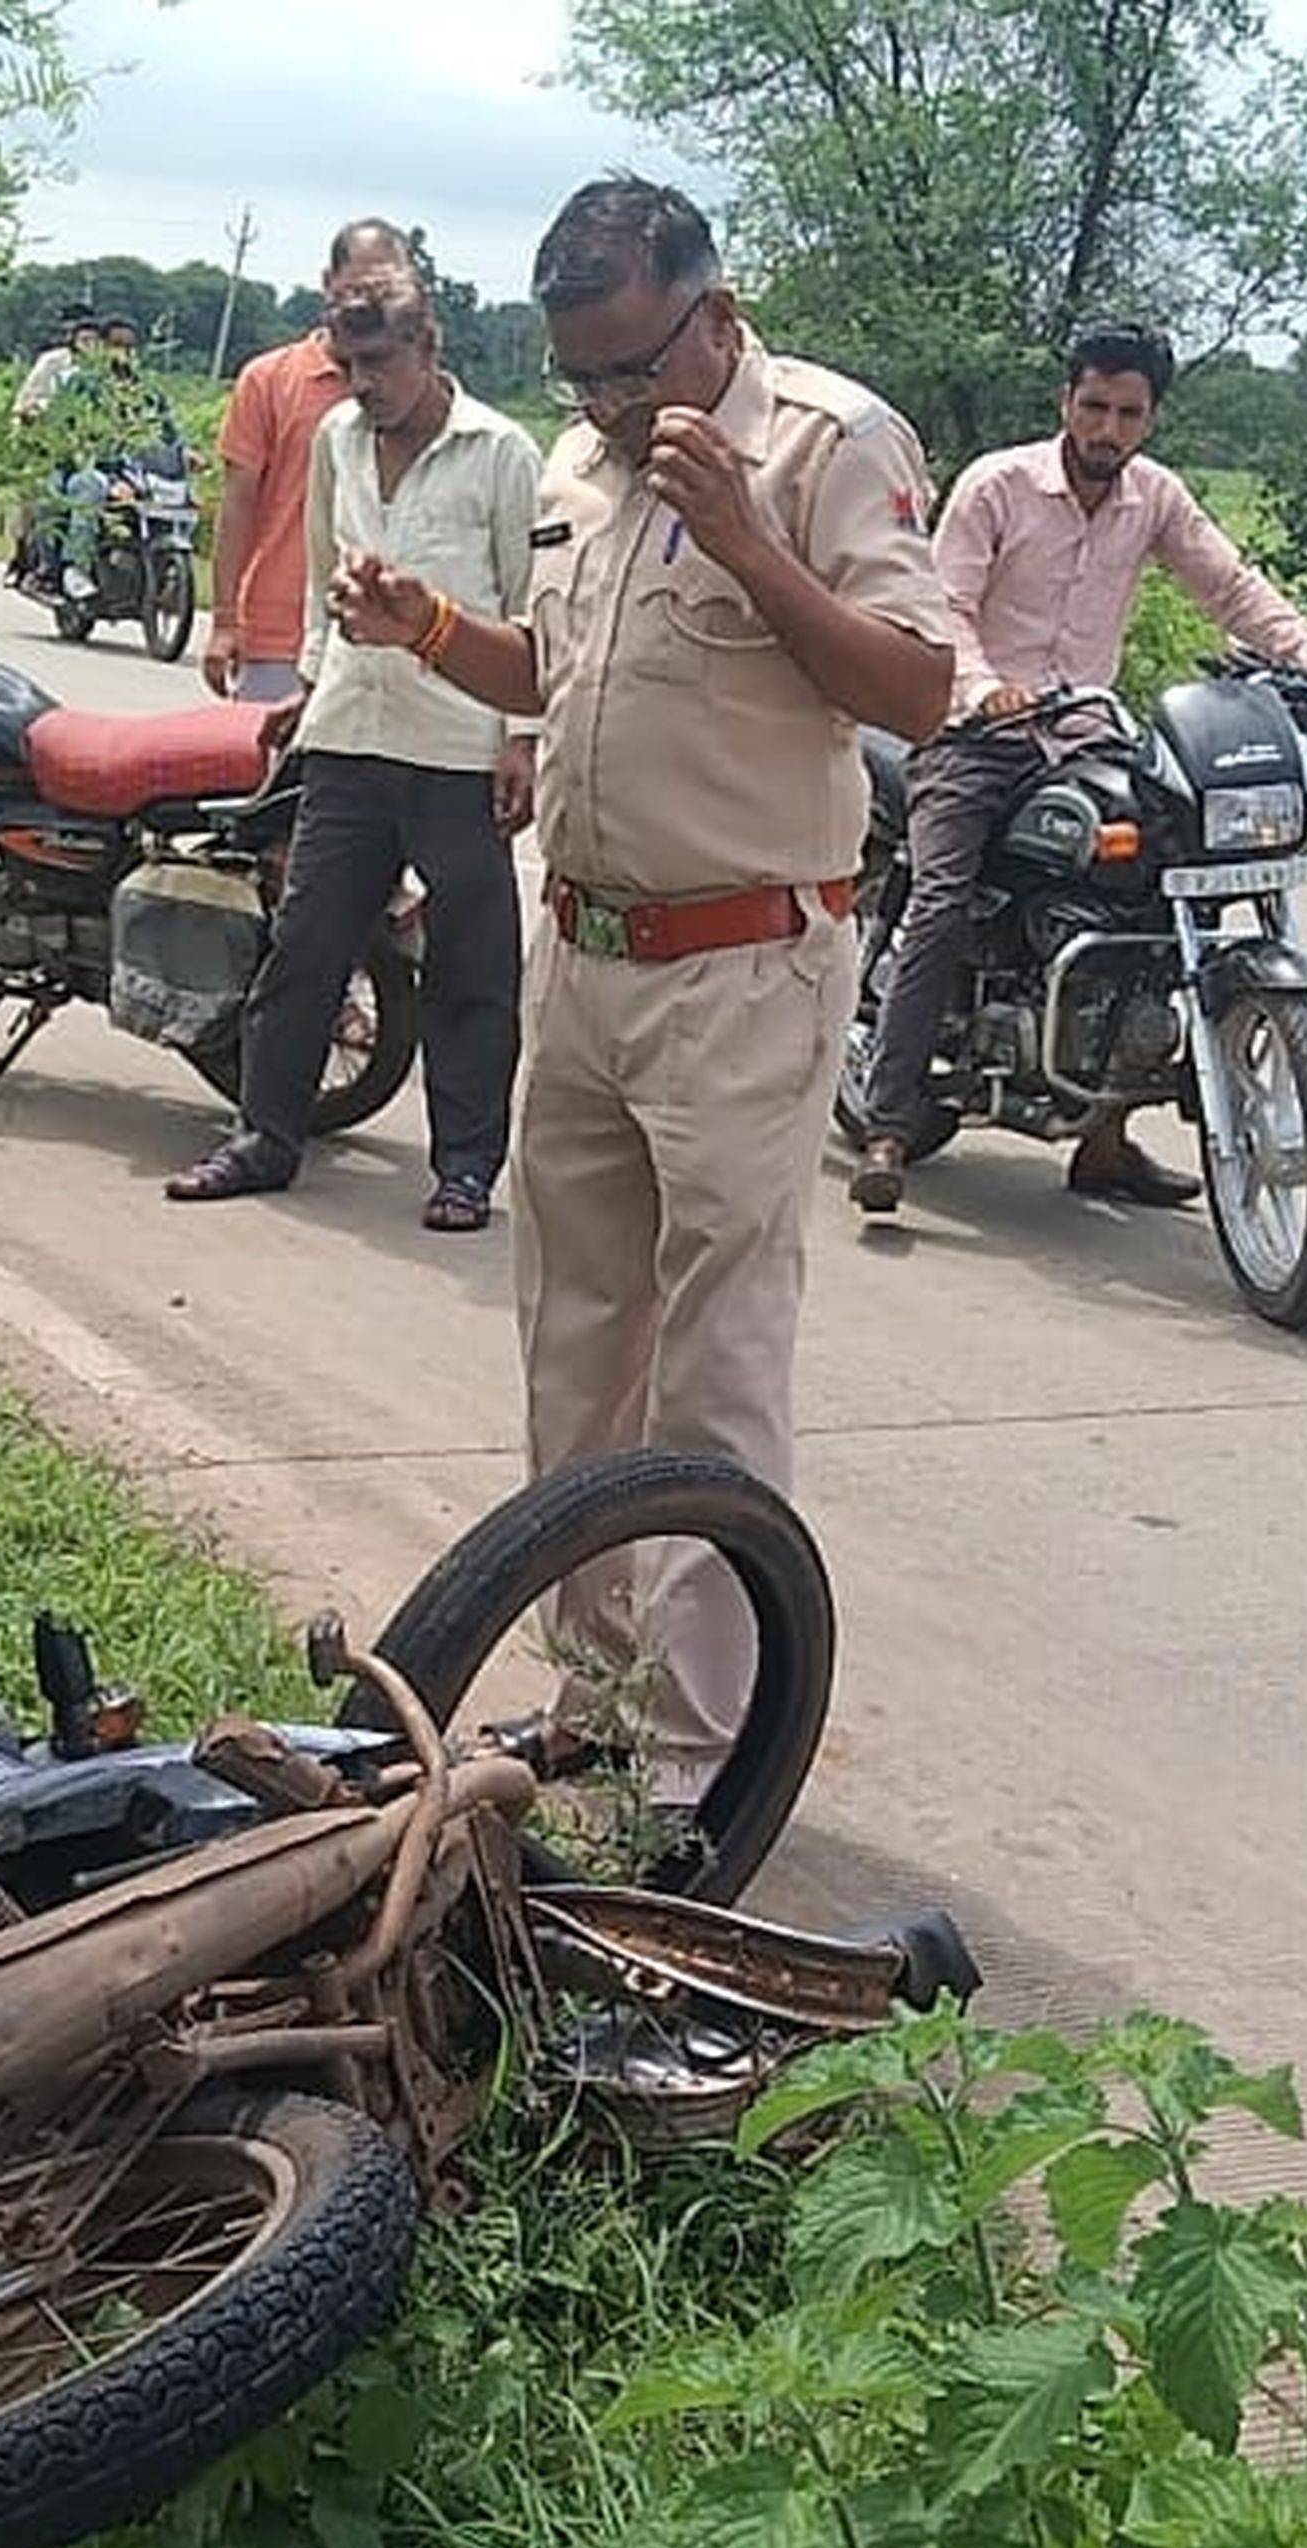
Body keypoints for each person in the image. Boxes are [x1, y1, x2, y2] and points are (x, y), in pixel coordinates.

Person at [324, 176, 949, 1799]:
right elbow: (562, 673)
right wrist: (427, 626)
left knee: (713, 1369)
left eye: (630, 368)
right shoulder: (584, 469)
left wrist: (747, 538)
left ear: (713, 316)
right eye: (579, 375)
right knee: (575, 1348)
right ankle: (596, 1694)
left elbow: (917, 688)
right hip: (588, 957)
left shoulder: (824, 447)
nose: (602, 404)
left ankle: (696, 1757)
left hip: (745, 966)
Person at [848, 319, 1307, 1214]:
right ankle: (890, 1124)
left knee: (1154, 885)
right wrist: (985, 688)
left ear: (1150, 418)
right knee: (940, 899)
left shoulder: (1154, 496)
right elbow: (944, 605)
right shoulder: (998, 484)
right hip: (973, 733)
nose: (1108, 429)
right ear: (1066, 401)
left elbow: (1228, 585)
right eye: (1094, 406)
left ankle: (1104, 1141)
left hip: (1087, 730)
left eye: (1128, 413)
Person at [165, 269, 542, 1229]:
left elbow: (531, 604)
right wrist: (307, 681)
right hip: (348, 733)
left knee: (471, 969)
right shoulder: (337, 436)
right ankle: (265, 1136)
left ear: (429, 350)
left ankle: (465, 1169)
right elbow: (323, 581)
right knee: (304, 948)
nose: (363, 383)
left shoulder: (500, 451)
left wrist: (525, 739)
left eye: (379, 362)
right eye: (348, 364)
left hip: (458, 744)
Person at [204, 219, 410, 704]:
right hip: (280, 635)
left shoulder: (416, 394)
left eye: (388, 289)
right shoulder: (269, 380)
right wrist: (225, 622)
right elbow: (237, 507)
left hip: (384, 640)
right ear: (327, 283)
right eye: (360, 287)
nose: (371, 303)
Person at [42, 317, 180, 593]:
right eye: (116, 345)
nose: (123, 352)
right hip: (86, 467)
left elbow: (168, 432)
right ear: (102, 347)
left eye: (129, 346)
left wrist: (186, 453)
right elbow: (59, 426)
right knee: (89, 487)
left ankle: (164, 570)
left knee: (178, 499)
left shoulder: (147, 391)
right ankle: (76, 567)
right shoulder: (81, 383)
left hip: (133, 472)